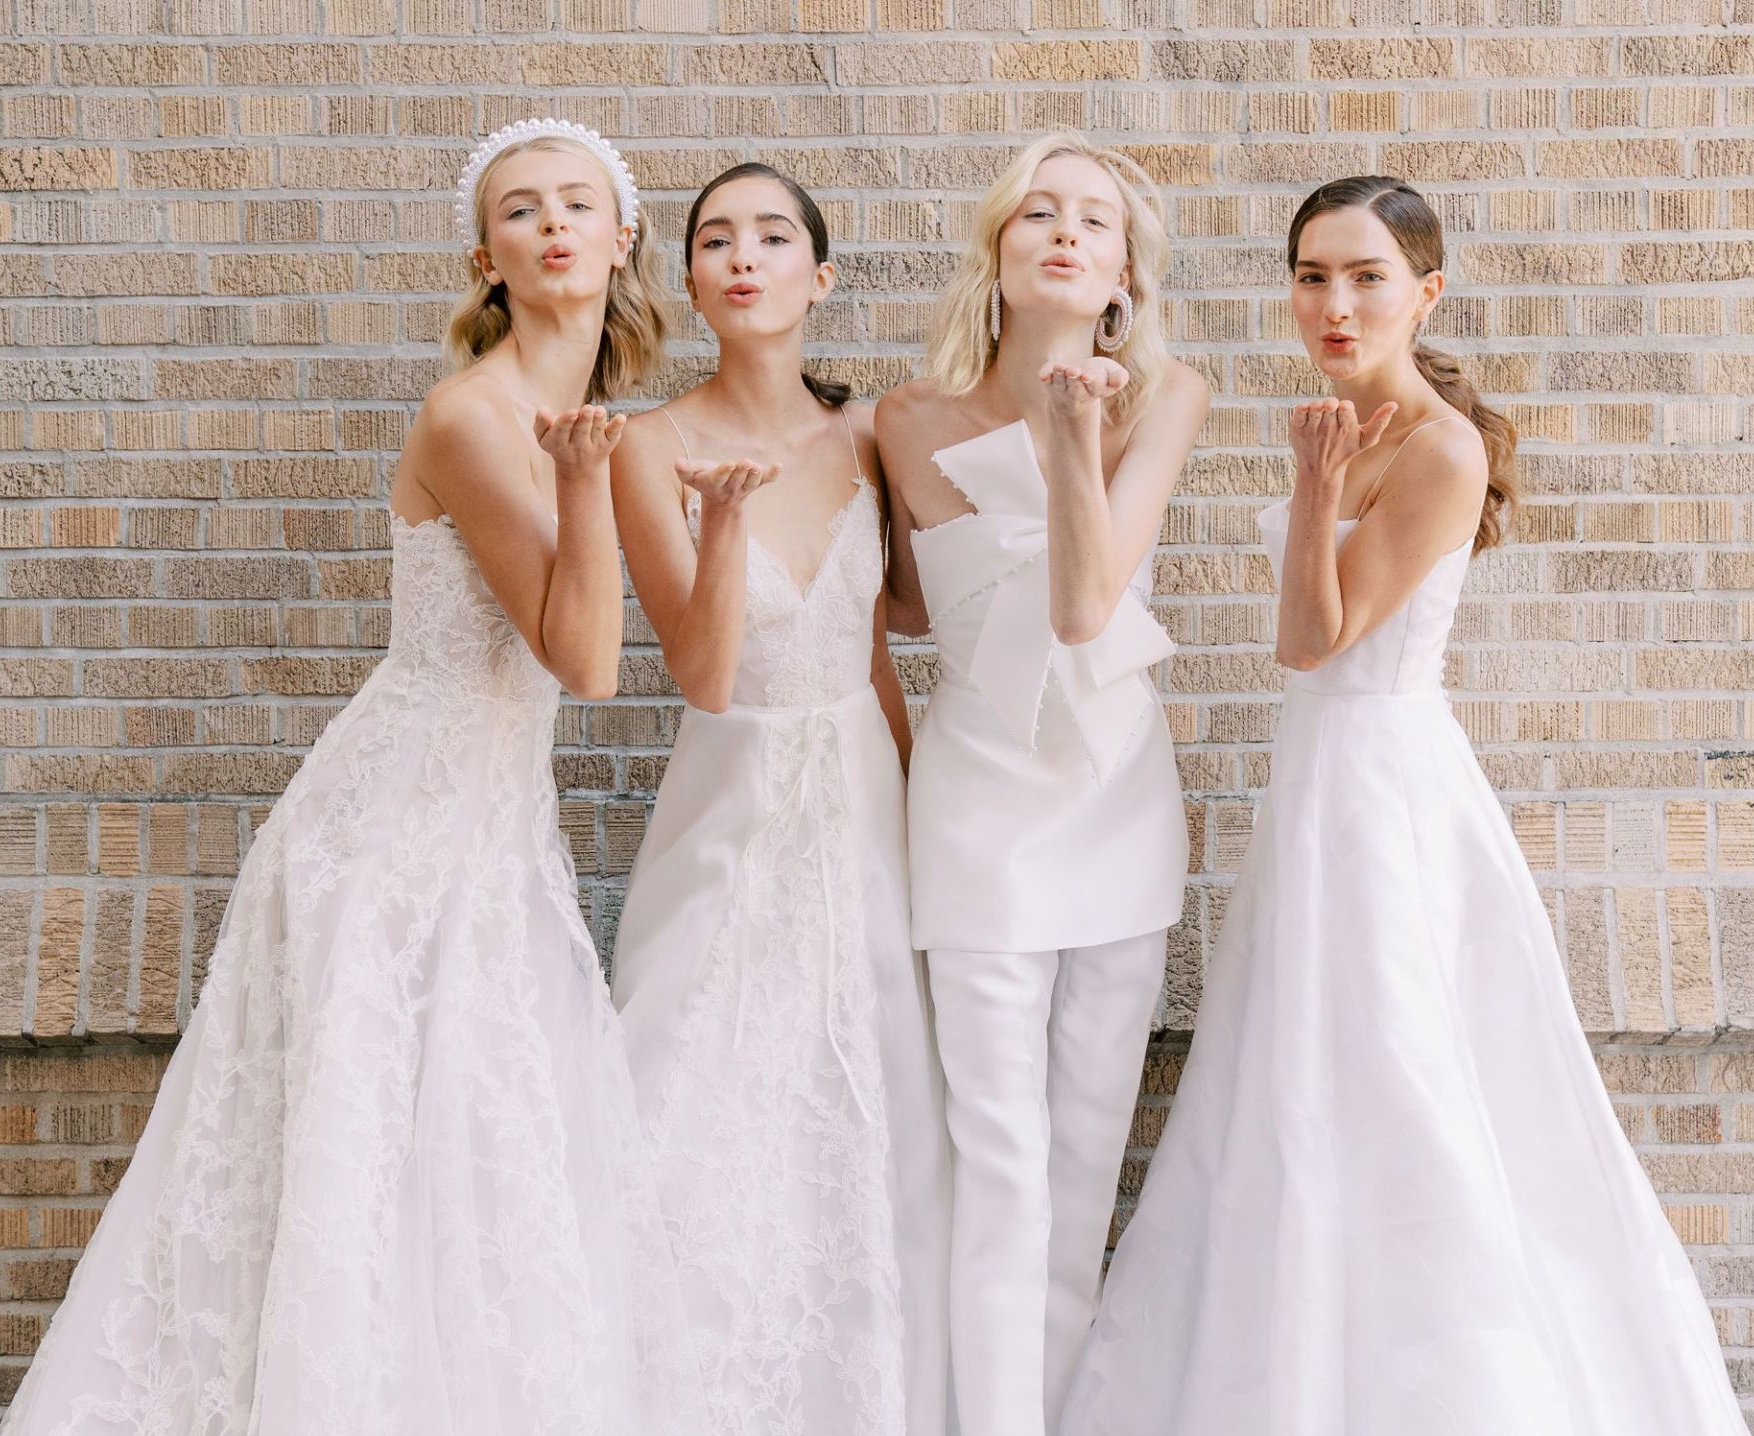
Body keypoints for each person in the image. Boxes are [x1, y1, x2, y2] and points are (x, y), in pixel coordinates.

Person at [0, 119, 702, 1436]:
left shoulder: (585, 425)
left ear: (621, 241)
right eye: (517, 211)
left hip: (489, 831)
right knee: (358, 1161)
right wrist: (595, 487)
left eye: (576, 202)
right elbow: (584, 659)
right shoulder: (475, 417)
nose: (550, 224)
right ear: (484, 259)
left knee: (480, 1159)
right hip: (387, 840)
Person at [1061, 174, 1747, 1436]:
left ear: (1423, 293)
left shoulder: (1437, 444)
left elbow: (1308, 642)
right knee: (1291, 1067)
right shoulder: (1345, 417)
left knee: (1394, 1060)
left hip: (1385, 794)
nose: (1333, 303)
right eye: (1311, 275)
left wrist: (1314, 485)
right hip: (1320, 787)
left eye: (1366, 276)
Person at [875, 132, 1208, 1436]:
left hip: (1119, 800)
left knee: (1081, 1162)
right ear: (999, 252)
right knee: (1001, 1162)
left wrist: (1078, 431)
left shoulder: (1165, 395)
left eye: (1095, 221)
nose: (1066, 234)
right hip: (980, 811)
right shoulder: (905, 420)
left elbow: (1084, 605)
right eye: (1038, 216)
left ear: (1124, 268)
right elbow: (908, 614)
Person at [609, 162, 950, 1436]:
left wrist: (919, 826)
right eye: (713, 240)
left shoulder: (868, 432)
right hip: (733, 796)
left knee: (878, 1075)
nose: (741, 258)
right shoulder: (648, 443)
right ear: (690, 279)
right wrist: (717, 530)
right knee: (695, 1079)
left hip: (858, 787)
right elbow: (699, 677)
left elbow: (881, 649)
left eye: (770, 238)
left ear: (821, 274)